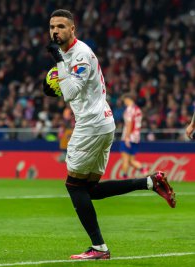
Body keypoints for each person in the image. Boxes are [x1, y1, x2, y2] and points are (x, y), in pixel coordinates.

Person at [44, 9, 176, 260]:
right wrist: (58, 71)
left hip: (91, 125)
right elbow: (68, 88)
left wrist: (58, 62)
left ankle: (99, 248)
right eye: (52, 27)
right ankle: (149, 182)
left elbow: (70, 93)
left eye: (61, 26)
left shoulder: (80, 54)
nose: (55, 31)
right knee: (89, 189)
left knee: (73, 185)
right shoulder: (69, 54)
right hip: (101, 123)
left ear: (73, 29)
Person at [120, 93, 148, 179]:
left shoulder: (130, 109)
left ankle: (124, 179)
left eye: (124, 100)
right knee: (131, 161)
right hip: (136, 138)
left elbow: (129, 124)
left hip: (128, 137)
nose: (124, 102)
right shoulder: (138, 109)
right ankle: (144, 171)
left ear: (128, 99)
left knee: (125, 160)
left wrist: (127, 137)